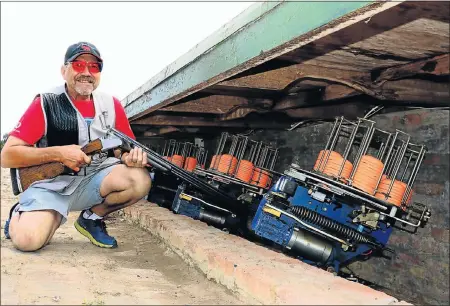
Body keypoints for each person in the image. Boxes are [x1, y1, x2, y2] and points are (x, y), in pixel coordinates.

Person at [1, 42, 152, 251]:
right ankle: (22, 213)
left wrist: (129, 158)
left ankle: (92, 217)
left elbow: (123, 148)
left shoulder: (112, 104)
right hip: (51, 186)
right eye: (79, 65)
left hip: (95, 181)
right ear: (64, 71)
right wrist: (59, 153)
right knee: (29, 241)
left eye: (94, 67)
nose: (87, 73)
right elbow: (7, 156)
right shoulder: (46, 103)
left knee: (140, 180)